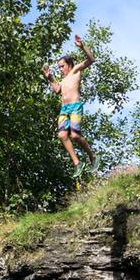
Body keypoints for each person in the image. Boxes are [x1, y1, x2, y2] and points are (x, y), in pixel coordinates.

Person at [42, 34, 96, 178]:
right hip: (64, 110)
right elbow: (57, 90)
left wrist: (82, 46)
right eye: (59, 67)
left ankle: (92, 157)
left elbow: (91, 60)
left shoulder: (75, 71)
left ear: (69, 64)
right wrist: (50, 77)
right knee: (62, 135)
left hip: (75, 107)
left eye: (62, 66)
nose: (60, 69)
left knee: (76, 136)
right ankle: (77, 163)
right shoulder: (63, 80)